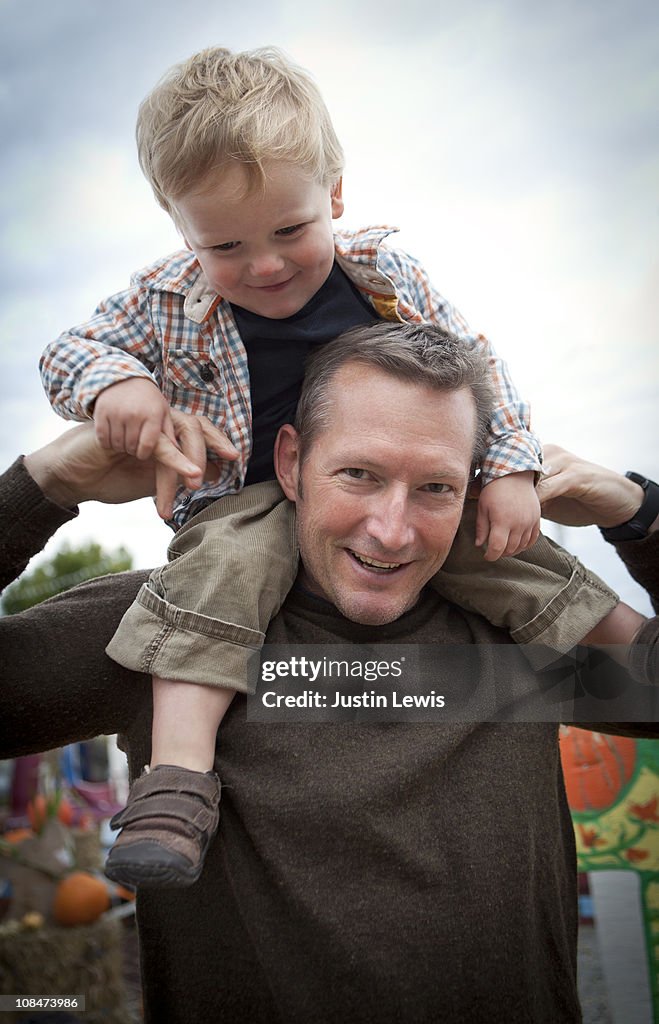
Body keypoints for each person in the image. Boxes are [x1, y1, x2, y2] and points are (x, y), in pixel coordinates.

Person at [38, 45, 627, 888]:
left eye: (290, 230)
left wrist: (510, 470)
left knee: (507, 549)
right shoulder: (163, 296)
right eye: (226, 245)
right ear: (179, 229)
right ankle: (175, 781)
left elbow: (479, 374)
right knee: (217, 578)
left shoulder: (386, 277)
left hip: (424, 506)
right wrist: (118, 386)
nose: (266, 265)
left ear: (336, 197)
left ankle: (629, 644)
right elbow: (70, 351)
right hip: (234, 498)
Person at [2, 325, 657, 1023]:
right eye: (358, 475)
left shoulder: (523, 628)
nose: (392, 529)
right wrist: (40, 487)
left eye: (435, 487)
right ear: (290, 463)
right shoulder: (167, 627)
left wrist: (637, 513)